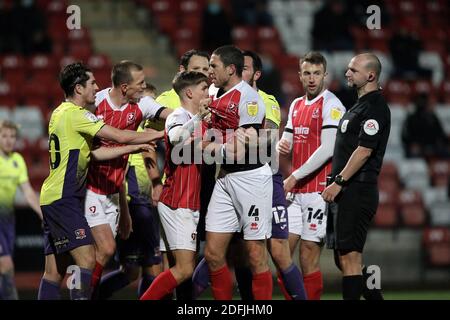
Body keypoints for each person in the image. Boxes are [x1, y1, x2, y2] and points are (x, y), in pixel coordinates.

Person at [37, 62, 162, 300]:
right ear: (78, 88)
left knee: (54, 272)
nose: (97, 87)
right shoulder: (77, 115)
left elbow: (97, 154)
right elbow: (119, 134)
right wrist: (160, 134)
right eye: (92, 83)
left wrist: (135, 147)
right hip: (65, 198)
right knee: (87, 259)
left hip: (53, 196)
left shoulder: (59, 113)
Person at [84, 61, 172, 298]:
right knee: (103, 250)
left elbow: (166, 114)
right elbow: (95, 152)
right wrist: (154, 137)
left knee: (100, 255)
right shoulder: (96, 104)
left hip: (114, 191)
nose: (144, 87)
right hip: (88, 189)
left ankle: (85, 294)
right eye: (140, 83)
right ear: (124, 87)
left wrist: (188, 119)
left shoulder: (141, 103)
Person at [204, 45, 273, 300]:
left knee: (255, 254)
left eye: (214, 66)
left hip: (251, 179)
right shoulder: (213, 93)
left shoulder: (249, 99)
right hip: (225, 178)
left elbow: (238, 152)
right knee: (212, 254)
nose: (210, 71)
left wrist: (203, 146)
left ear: (230, 70)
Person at [322, 53, 390, 300]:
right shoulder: (358, 105)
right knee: (344, 260)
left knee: (350, 259)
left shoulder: (375, 107)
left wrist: (339, 182)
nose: (347, 73)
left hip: (356, 190)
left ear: (370, 75)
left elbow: (364, 151)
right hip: (347, 190)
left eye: (353, 70)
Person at [278, 52, 346, 300]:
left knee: (308, 258)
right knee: (281, 256)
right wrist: (281, 146)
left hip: (318, 192)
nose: (312, 78)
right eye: (307, 73)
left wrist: (294, 175)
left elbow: (328, 149)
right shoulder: (296, 104)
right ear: (299, 75)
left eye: (317, 73)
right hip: (295, 194)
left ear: (325, 75)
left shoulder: (332, 105)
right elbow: (287, 139)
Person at [140, 71, 210, 300]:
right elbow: (177, 137)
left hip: (189, 202)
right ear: (190, 93)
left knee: (178, 268)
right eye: (203, 89)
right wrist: (199, 119)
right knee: (185, 269)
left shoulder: (201, 120)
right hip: (178, 202)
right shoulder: (177, 116)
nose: (207, 93)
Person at [96, 84, 163, 299]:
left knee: (130, 271)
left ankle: (92, 295)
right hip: (136, 204)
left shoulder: (134, 131)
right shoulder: (138, 134)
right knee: (154, 267)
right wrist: (156, 184)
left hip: (132, 203)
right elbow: (141, 162)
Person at [0, 120, 42, 299]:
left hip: (8, 220)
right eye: (4, 136)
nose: (9, 140)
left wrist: (43, 214)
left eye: (12, 136)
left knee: (4, 268)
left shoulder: (18, 161)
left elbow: (28, 192)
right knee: (6, 265)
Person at [401, 93, 449, 159]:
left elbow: (440, 134)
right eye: (429, 103)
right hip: (418, 148)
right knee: (414, 153)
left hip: (433, 146)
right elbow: (405, 136)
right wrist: (411, 144)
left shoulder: (433, 117)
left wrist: (445, 141)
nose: (432, 105)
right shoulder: (411, 118)